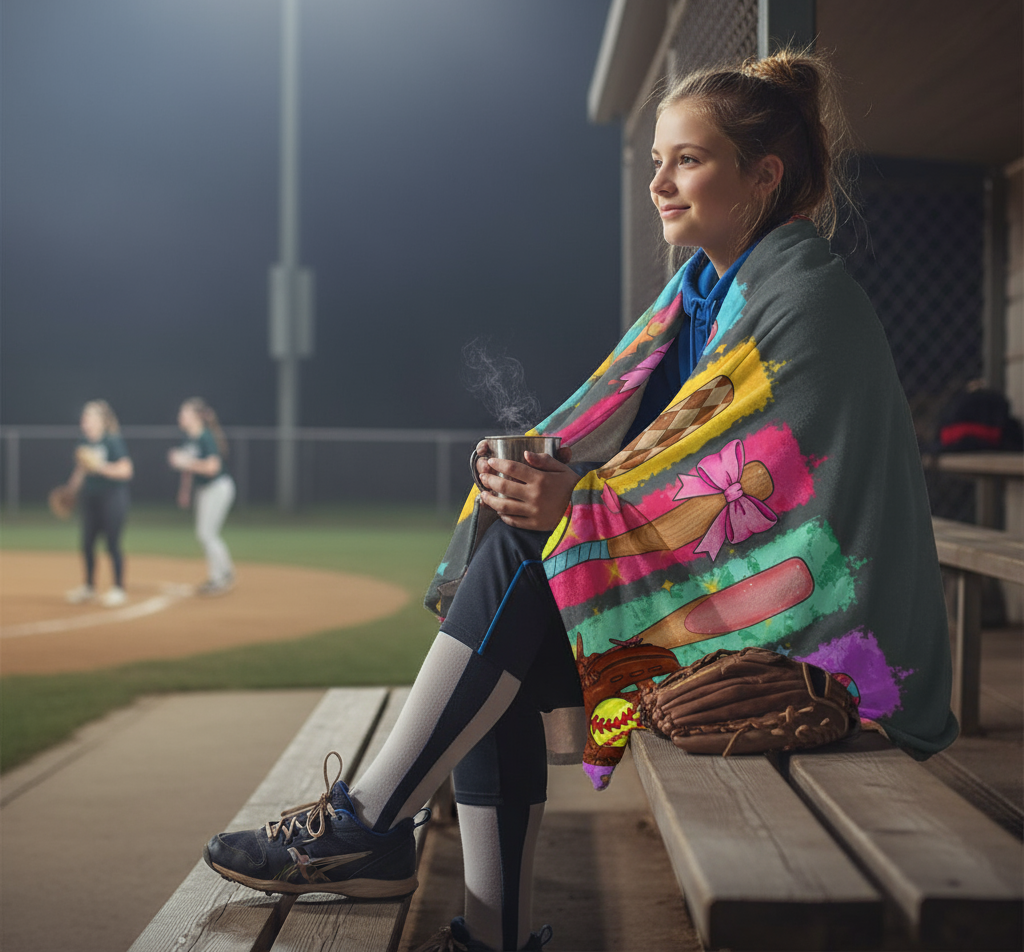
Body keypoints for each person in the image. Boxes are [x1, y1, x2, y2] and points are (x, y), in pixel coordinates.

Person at [202, 50, 957, 952]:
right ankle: (482, 923)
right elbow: (645, 440)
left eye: (689, 160)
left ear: (765, 176)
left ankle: (372, 824)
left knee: (530, 569)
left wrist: (577, 504)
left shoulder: (804, 295)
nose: (661, 182)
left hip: (826, 636)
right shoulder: (705, 290)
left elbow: (759, 493)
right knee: (517, 601)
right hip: (739, 590)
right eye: (657, 162)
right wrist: (542, 473)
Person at [65, 400, 133, 607]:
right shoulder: (84, 441)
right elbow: (81, 470)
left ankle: (118, 588)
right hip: (90, 498)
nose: (84, 421)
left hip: (113, 498)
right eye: (84, 417)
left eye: (89, 416)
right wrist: (70, 491)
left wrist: (101, 466)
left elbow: (126, 470)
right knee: (86, 543)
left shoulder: (112, 441)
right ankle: (89, 587)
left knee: (112, 544)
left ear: (101, 420)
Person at [168, 397, 235, 595]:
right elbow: (189, 470)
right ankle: (225, 572)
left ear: (197, 417)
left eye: (185, 413)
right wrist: (184, 491)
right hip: (204, 490)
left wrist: (185, 462)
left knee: (207, 534)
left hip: (218, 487)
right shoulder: (189, 437)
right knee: (206, 534)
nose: (181, 416)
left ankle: (220, 577)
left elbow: (212, 468)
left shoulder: (206, 436)